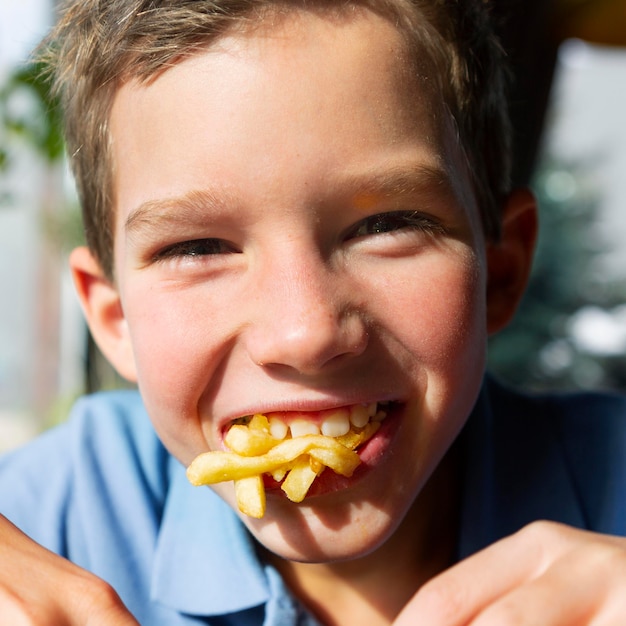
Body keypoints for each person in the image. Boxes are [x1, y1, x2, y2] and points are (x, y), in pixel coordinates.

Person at [1, 0, 626, 624]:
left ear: (502, 272)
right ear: (114, 319)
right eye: (198, 247)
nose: (304, 333)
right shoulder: (57, 510)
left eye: (384, 226)